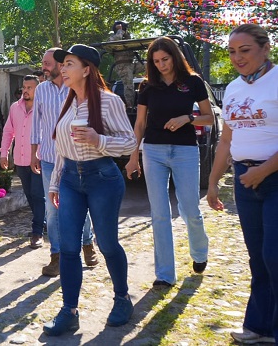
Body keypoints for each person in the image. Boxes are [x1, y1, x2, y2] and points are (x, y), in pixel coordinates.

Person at [43, 44, 137, 336]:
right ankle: (69, 311)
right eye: (63, 64)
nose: (63, 68)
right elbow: (61, 147)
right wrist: (56, 182)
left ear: (86, 70)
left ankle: (122, 299)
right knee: (69, 247)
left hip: (103, 178)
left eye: (69, 64)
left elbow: (130, 143)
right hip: (71, 178)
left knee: (107, 244)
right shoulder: (68, 102)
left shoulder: (109, 102)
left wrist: (99, 139)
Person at [207, 24, 278, 345]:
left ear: (265, 48)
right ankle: (260, 327)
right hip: (244, 180)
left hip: (273, 177)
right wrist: (212, 181)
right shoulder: (234, 88)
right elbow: (226, 140)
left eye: (245, 50)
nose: (237, 57)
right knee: (258, 258)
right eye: (232, 51)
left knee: (274, 254)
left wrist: (263, 171)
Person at [125, 37, 211, 287]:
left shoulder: (193, 82)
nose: (161, 65)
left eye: (165, 59)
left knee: (190, 209)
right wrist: (133, 156)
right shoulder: (147, 87)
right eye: (156, 61)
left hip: (185, 151)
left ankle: (199, 252)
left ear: (174, 56)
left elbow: (209, 119)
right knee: (159, 213)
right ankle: (164, 274)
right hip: (153, 150)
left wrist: (187, 118)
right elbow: (139, 124)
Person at [31, 48, 98, 277]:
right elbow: (36, 122)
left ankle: (87, 243)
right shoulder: (41, 90)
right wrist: (34, 152)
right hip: (49, 158)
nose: (44, 67)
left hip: (74, 157)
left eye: (47, 63)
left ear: (60, 65)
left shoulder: (76, 88)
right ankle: (56, 255)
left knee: (80, 204)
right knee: (52, 210)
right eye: (43, 63)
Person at [0, 75, 45, 249]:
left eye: (30, 88)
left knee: (37, 194)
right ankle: (42, 221)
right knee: (29, 194)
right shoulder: (15, 108)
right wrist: (4, 153)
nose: (25, 90)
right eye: (24, 87)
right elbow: (8, 132)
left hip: (39, 159)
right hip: (20, 159)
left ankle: (37, 232)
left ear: (38, 89)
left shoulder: (43, 108)